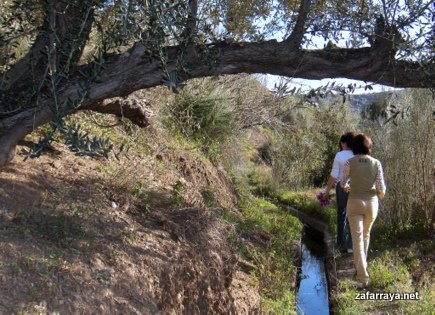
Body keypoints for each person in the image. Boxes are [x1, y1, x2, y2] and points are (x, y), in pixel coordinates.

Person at [340, 134, 386, 287]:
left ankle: (362, 276)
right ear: (368, 146)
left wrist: (347, 187)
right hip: (372, 204)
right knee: (365, 236)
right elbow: (381, 189)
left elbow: (343, 183)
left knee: (357, 239)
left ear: (355, 146)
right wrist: (379, 193)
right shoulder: (376, 163)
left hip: (354, 202)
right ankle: (361, 270)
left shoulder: (349, 162)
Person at [323, 131, 356, 253]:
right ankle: (350, 245)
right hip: (356, 187)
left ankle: (340, 242)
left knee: (342, 213)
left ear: (344, 143)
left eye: (341, 143)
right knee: (353, 214)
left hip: (342, 187)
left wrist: (326, 191)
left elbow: (333, 175)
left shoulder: (340, 155)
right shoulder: (357, 155)